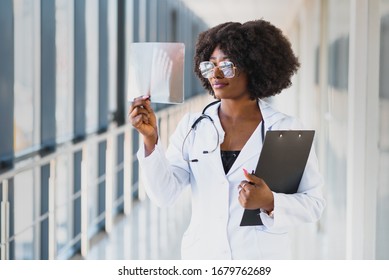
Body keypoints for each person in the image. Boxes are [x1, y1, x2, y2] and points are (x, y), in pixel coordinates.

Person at [129, 20, 325, 260]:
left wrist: (270, 201)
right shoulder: (192, 127)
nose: (217, 74)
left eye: (227, 65)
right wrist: (150, 140)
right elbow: (164, 194)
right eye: (210, 66)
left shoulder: (285, 128)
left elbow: (314, 204)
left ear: (254, 67)